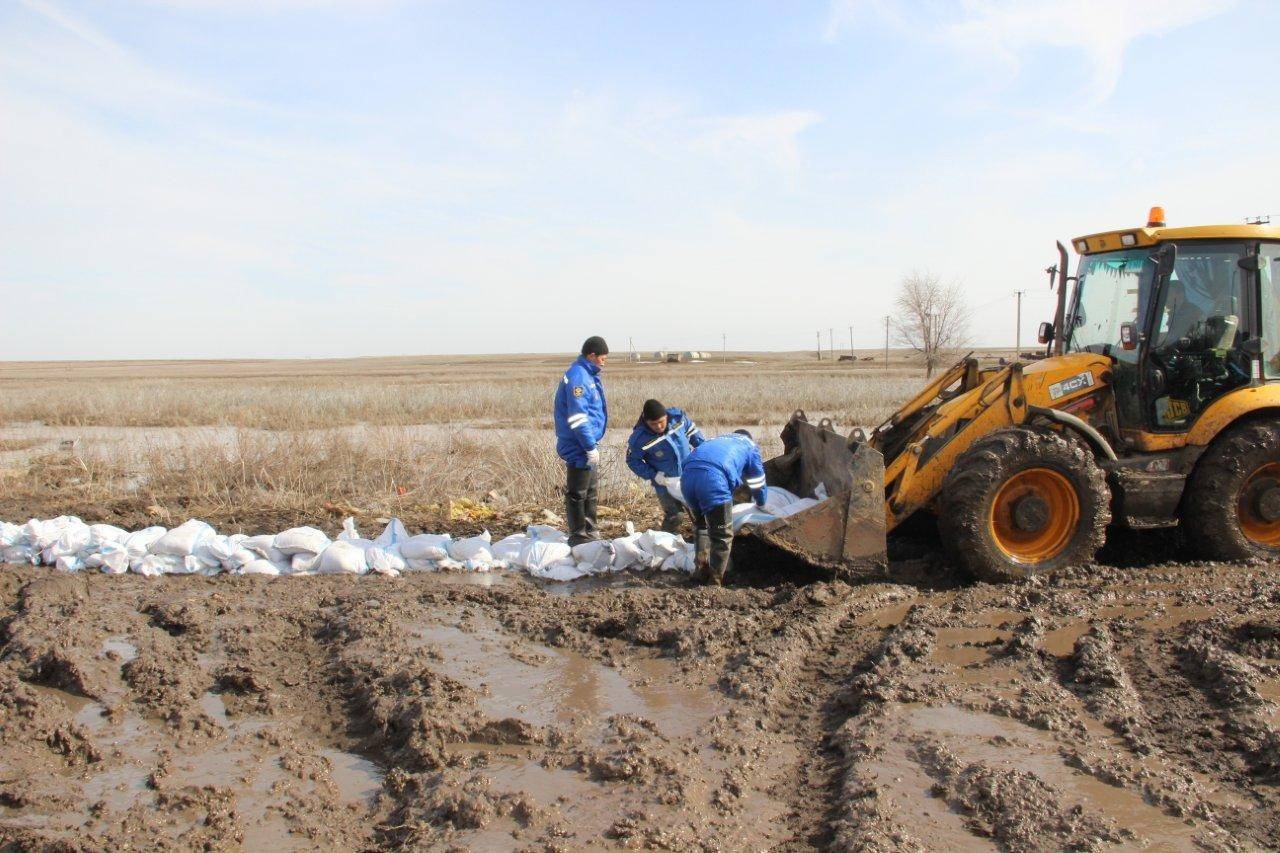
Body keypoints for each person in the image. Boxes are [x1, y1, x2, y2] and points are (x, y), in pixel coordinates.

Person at [680, 430, 768, 585]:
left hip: (687, 480)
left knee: (701, 526)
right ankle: (715, 581)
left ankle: (700, 570)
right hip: (713, 482)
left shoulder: (717, 441)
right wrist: (761, 503)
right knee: (722, 535)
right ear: (749, 438)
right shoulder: (750, 446)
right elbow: (757, 482)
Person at [554, 336, 609, 545]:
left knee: (591, 490)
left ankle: (590, 529)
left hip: (586, 442)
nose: (604, 362)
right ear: (591, 355)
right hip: (578, 444)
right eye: (602, 358)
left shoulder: (588, 374)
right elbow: (578, 418)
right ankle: (578, 535)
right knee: (578, 492)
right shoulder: (578, 376)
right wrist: (588, 446)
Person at [625, 399, 705, 533]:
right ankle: (664, 543)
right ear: (646, 422)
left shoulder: (678, 419)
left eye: (661, 422)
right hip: (664, 482)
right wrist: (653, 475)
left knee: (699, 512)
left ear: (666, 417)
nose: (659, 426)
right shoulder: (639, 438)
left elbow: (693, 433)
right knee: (675, 516)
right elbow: (633, 461)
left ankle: (700, 541)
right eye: (653, 424)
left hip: (688, 476)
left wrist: (704, 452)